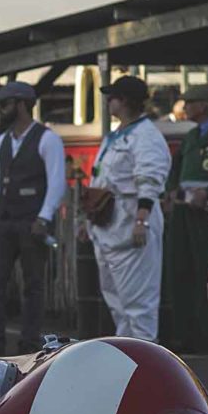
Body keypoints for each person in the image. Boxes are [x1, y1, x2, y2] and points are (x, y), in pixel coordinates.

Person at [0, 80, 67, 354]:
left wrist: (43, 218)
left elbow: (56, 182)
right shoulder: (3, 140)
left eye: (5, 104)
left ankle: (29, 342)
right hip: (5, 219)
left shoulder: (47, 138)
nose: (1, 110)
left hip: (32, 221)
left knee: (33, 284)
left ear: (20, 104)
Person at [86, 76, 171, 340]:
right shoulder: (115, 135)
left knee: (139, 305)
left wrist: (141, 219)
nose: (108, 101)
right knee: (118, 304)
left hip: (131, 223)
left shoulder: (146, 136)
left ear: (123, 101)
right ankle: (128, 358)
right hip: (108, 225)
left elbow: (150, 179)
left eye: (112, 97)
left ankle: (146, 361)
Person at [163, 84, 208, 354]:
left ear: (202, 106)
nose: (184, 108)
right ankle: (185, 333)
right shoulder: (192, 136)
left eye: (189, 102)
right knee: (180, 269)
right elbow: (175, 169)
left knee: (205, 270)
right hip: (183, 211)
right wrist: (171, 191)